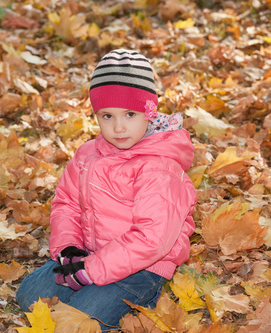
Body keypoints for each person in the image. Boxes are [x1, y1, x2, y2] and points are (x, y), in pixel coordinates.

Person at [16, 49, 197, 330]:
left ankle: (142, 298)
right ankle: (90, 286)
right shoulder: (88, 154)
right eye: (107, 116)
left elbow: (152, 239)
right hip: (91, 254)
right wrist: (68, 249)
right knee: (29, 294)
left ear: (149, 113)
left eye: (129, 114)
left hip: (142, 267)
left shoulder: (159, 167)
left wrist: (92, 271)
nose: (119, 127)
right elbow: (67, 203)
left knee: (82, 319)